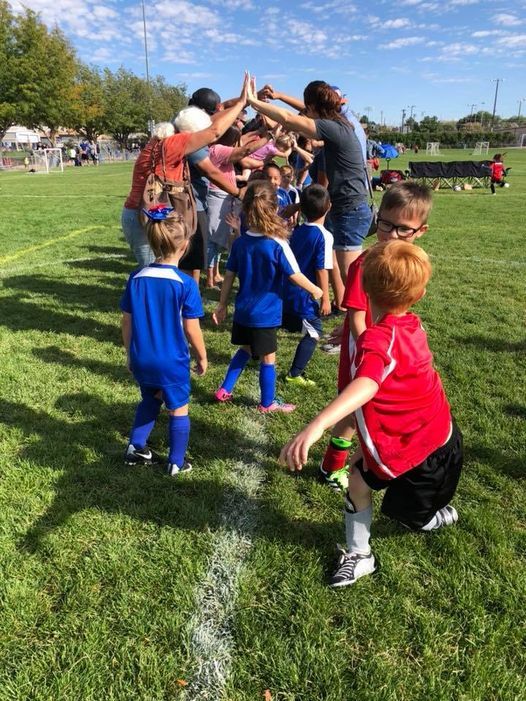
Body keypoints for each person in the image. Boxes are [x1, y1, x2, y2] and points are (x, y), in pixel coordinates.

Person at [280, 240, 463, 588]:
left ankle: (430, 517)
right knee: (359, 482)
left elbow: (367, 383)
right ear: (420, 295)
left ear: (363, 288)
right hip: (427, 437)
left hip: (424, 450)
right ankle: (360, 555)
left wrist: (316, 425)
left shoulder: (382, 340)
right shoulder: (409, 323)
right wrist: (349, 331)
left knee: (408, 516)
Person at [319, 181, 433, 492]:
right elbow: (357, 312)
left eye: (403, 229)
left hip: (387, 350)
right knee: (356, 410)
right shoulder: (366, 263)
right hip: (368, 354)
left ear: (420, 231)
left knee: (365, 412)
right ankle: (332, 465)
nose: (392, 235)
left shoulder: (409, 262)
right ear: (375, 216)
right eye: (385, 224)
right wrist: (369, 346)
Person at [247, 80, 371, 312]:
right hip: (343, 208)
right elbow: (300, 114)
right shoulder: (339, 122)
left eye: (308, 107)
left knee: (353, 277)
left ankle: (361, 331)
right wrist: (279, 96)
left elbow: (291, 119)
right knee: (343, 270)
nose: (305, 112)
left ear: (314, 107)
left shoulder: (334, 127)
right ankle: (348, 325)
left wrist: (253, 102)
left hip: (349, 211)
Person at [212, 180, 323, 413]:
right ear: (274, 209)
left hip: (243, 311)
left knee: (245, 349)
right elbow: (294, 274)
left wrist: (222, 305)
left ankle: (225, 389)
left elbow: (229, 275)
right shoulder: (277, 244)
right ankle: (267, 403)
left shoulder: (241, 242)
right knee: (268, 358)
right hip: (265, 314)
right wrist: (316, 290)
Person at [121, 74, 249, 268]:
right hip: (145, 217)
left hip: (146, 212)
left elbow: (209, 120)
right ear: (191, 134)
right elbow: (213, 130)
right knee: (155, 272)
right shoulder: (175, 143)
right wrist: (242, 103)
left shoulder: (166, 135)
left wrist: (239, 102)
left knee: (161, 269)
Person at [120, 209, 207, 476]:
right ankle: (177, 462)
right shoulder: (185, 284)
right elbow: (191, 328)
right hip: (172, 360)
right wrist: (202, 356)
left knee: (151, 396)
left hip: (141, 357)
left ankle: (136, 448)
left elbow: (126, 321)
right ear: (185, 245)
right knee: (178, 407)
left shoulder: (136, 277)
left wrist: (129, 354)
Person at [282, 184, 333, 386]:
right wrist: (326, 300)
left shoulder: (296, 230)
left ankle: (255, 356)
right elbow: (321, 269)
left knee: (282, 322)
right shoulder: (324, 235)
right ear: (329, 206)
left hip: (286, 289)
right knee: (314, 331)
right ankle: (294, 374)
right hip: (305, 294)